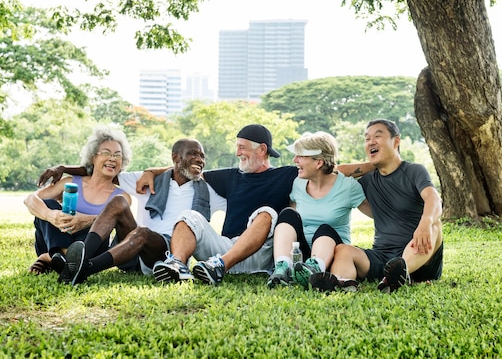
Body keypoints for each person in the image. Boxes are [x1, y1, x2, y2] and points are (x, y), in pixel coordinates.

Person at [143, 124, 371, 286]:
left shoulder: (290, 175)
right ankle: (177, 265)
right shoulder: (230, 176)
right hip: (225, 249)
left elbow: (330, 169)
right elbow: (190, 168)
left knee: (268, 212)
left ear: (262, 150)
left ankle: (221, 267)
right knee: (188, 216)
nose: (237, 152)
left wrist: (380, 163)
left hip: (260, 253)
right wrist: (152, 171)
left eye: (242, 147)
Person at [39, 138, 225, 285]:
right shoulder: (148, 180)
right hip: (130, 250)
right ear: (175, 158)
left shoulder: (208, 191)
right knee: (119, 201)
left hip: (164, 255)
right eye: (193, 154)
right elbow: (105, 171)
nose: (200, 159)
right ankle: (83, 255)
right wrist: (64, 168)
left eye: (202, 156)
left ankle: (83, 269)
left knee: (142, 233)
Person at [309, 119, 443, 293]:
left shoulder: (413, 171)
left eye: (377, 136)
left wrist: (425, 222)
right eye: (367, 139)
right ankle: (342, 283)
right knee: (343, 250)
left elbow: (433, 198)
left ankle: (400, 272)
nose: (370, 142)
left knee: (435, 225)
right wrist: (371, 165)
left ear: (396, 141)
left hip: (419, 255)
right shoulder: (368, 181)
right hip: (382, 257)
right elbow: (333, 172)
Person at [24, 126, 132, 277]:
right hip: (56, 237)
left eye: (117, 155)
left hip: (89, 248)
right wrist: (51, 216)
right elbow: (30, 199)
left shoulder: (121, 196)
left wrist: (86, 220)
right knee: (49, 203)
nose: (112, 158)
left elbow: (115, 221)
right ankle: (64, 257)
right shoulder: (70, 182)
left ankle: (49, 258)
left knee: (97, 229)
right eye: (106, 153)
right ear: (93, 157)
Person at [267, 131, 367, 289]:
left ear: (319, 163)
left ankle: (315, 268)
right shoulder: (298, 184)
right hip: (303, 257)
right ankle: (282, 268)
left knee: (325, 228)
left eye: (301, 156)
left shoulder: (348, 187)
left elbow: (377, 215)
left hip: (332, 253)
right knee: (288, 214)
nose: (295, 160)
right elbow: (291, 224)